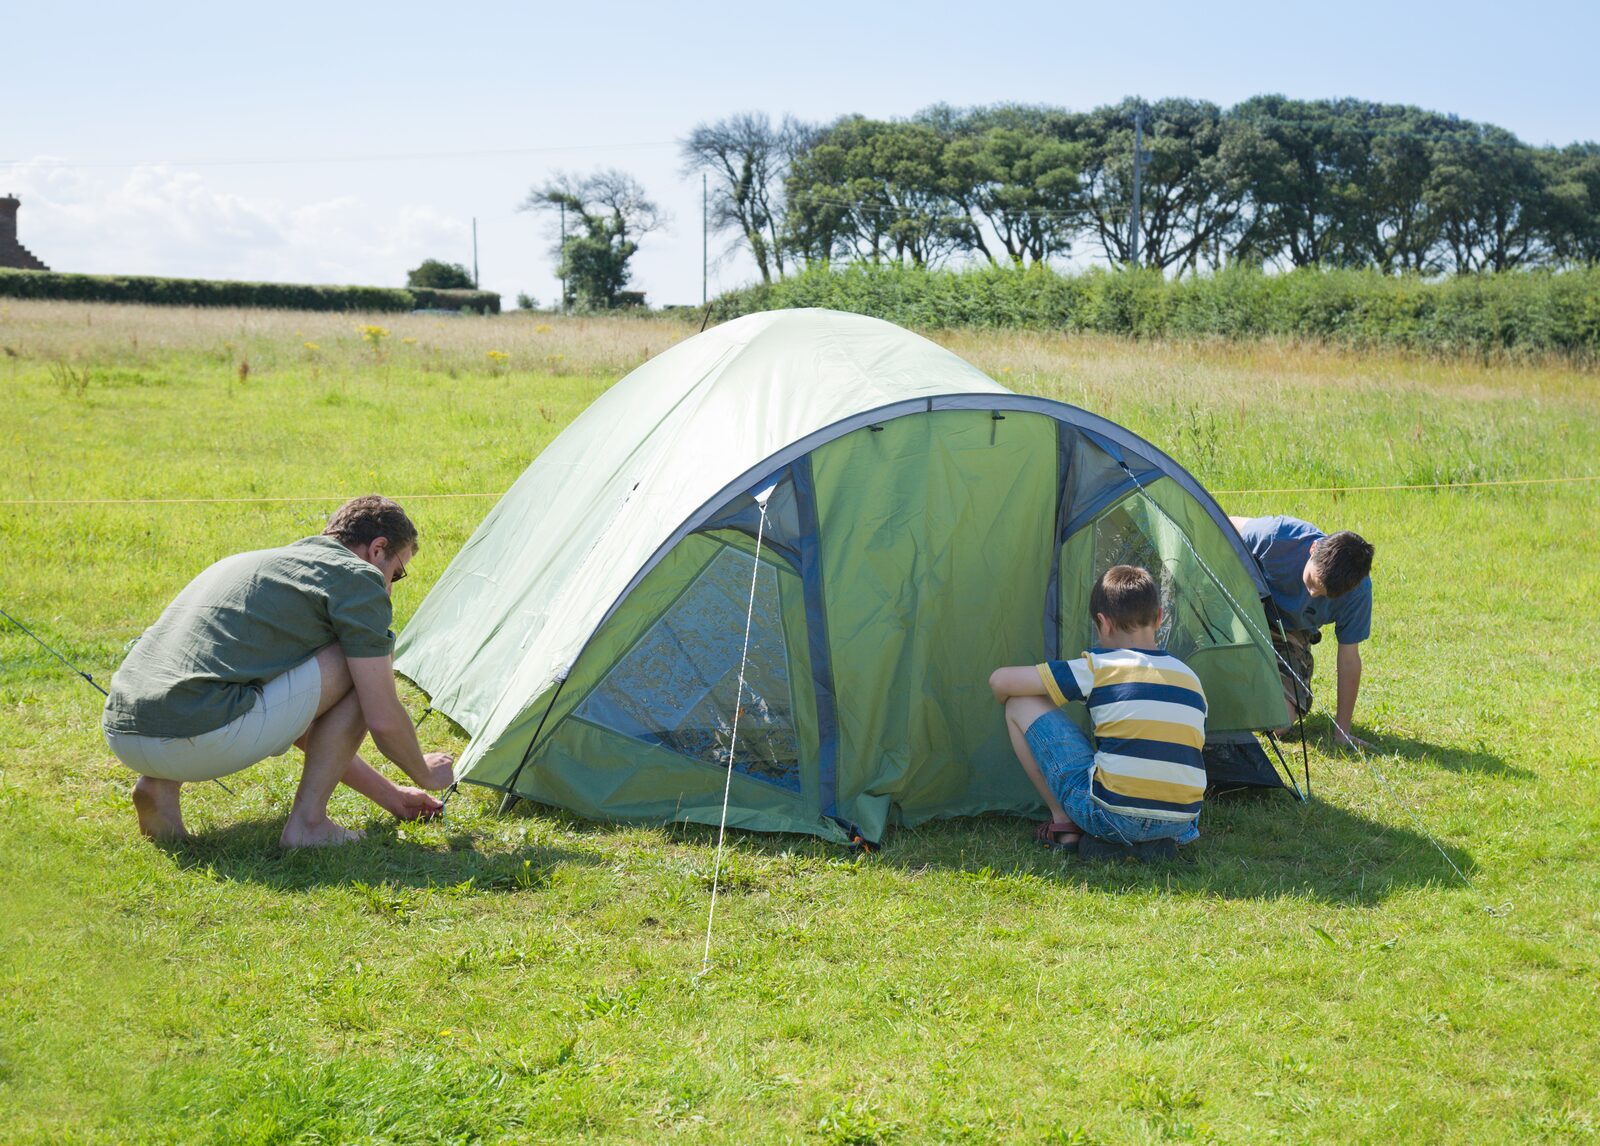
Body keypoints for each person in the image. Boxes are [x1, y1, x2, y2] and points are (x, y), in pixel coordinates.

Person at [102, 495, 455, 848]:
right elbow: (382, 716)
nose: (390, 588)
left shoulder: (253, 563)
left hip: (124, 731)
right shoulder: (358, 577)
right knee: (363, 662)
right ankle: (308, 824)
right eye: (397, 572)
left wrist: (391, 795)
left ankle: (159, 784)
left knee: (220, 681)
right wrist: (424, 772)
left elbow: (296, 717)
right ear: (378, 549)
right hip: (197, 733)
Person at [989, 564, 1208, 855]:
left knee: (1019, 703)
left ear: (1103, 624)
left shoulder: (1099, 667)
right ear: (1159, 617)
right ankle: (1150, 843)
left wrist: (1055, 694)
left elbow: (1000, 681)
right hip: (1181, 822)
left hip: (1110, 817)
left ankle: (1065, 823)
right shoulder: (1189, 677)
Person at [1228, 515, 1374, 749]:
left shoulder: (1358, 594)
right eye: (1311, 582)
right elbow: (1225, 526)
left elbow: (1348, 660)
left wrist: (1342, 732)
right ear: (1313, 549)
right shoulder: (1276, 536)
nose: (1313, 594)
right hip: (1239, 611)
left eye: (1324, 594)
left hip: (1289, 633)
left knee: (1278, 723)